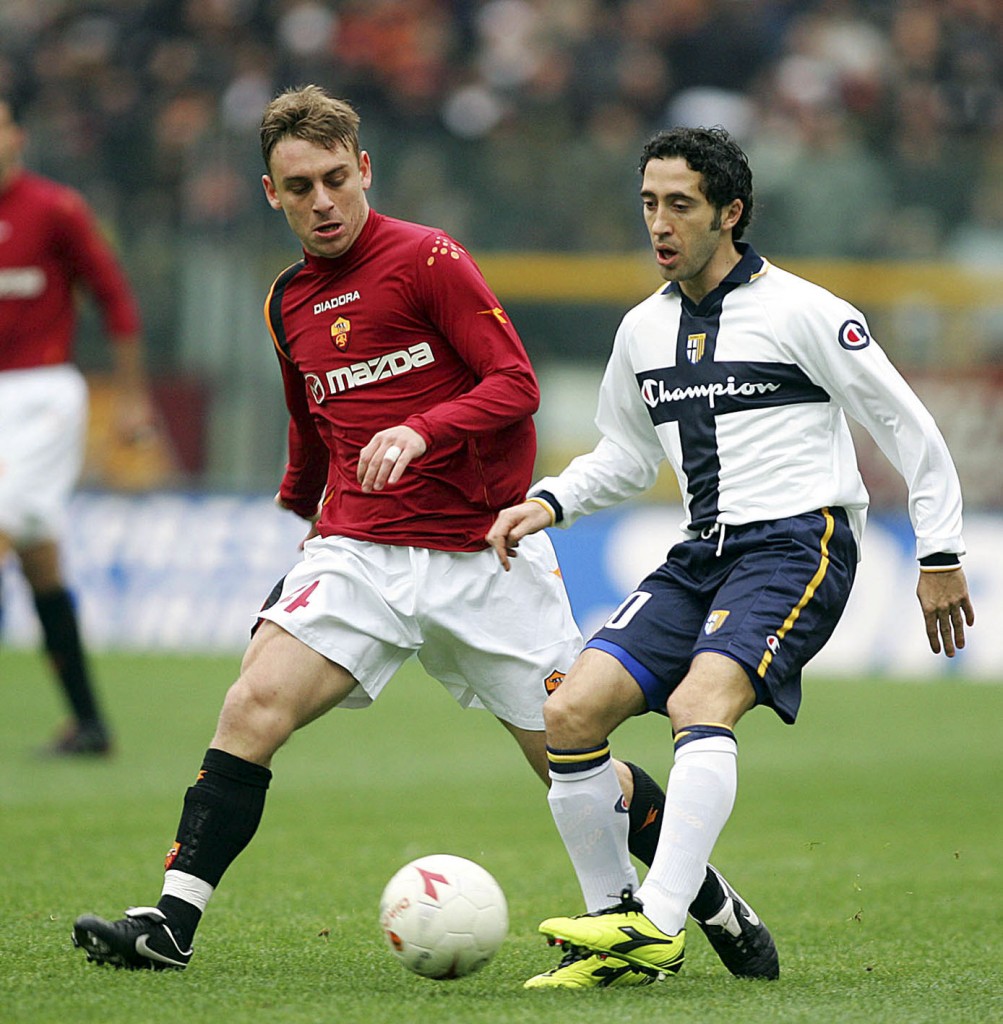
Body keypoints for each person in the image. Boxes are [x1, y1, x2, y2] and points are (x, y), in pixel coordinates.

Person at [70, 87, 773, 984]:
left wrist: (422, 429)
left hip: (486, 557)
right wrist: (301, 517)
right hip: (359, 554)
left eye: (334, 179)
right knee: (252, 705)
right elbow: (308, 421)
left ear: (363, 170)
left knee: (571, 766)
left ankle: (705, 894)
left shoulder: (427, 258)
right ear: (270, 194)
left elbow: (515, 385)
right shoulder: (286, 302)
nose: (321, 202)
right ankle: (172, 919)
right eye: (299, 187)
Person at [487, 125, 975, 987]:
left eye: (680, 205)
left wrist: (938, 553)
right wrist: (549, 499)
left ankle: (660, 925)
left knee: (698, 701)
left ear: (729, 213)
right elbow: (627, 455)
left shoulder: (806, 312)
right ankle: (613, 927)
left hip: (798, 544)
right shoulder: (642, 331)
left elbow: (908, 426)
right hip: (699, 553)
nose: (660, 223)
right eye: (648, 204)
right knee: (567, 713)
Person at [0, 95, 156, 756]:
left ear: (17, 134)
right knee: (39, 560)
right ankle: (89, 724)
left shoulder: (56, 208)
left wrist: (130, 397)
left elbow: (113, 296)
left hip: (41, 397)